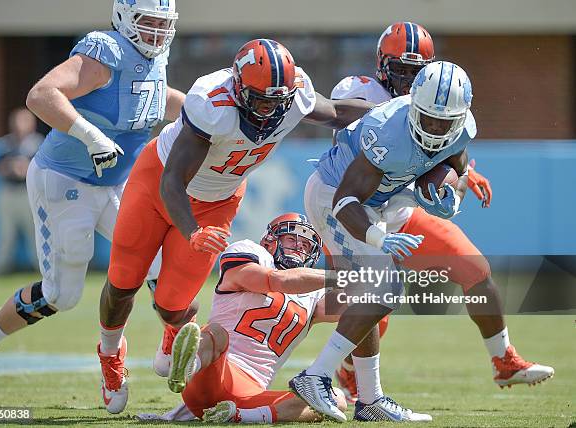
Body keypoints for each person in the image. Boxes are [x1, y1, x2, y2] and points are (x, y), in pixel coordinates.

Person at [97, 38, 375, 414]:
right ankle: (111, 354)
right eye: (261, 100)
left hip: (218, 199)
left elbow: (340, 112)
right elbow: (172, 181)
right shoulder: (214, 103)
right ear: (239, 87)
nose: (269, 109)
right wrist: (192, 230)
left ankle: (176, 334)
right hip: (158, 183)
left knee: (173, 303)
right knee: (123, 280)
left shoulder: (294, 97)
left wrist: (399, 113)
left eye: (278, 101)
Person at [289, 61, 554, 422]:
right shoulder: (388, 132)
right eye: (428, 119)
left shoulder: (463, 129)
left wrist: (453, 200)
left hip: (381, 202)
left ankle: (370, 401)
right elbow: (345, 202)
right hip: (334, 196)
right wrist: (378, 237)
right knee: (384, 291)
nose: (434, 128)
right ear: (414, 105)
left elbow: (457, 168)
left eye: (444, 123)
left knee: (379, 294)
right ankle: (315, 376)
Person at [0, 0, 185, 407]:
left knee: (158, 265)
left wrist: (201, 112)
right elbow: (41, 95)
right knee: (61, 296)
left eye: (162, 23)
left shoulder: (155, 56)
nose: (156, 31)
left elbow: (154, 96)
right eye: (147, 22)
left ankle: (138, 348)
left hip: (115, 183)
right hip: (65, 180)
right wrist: (90, 135)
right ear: (123, 18)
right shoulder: (106, 49)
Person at [330, 21, 494, 404]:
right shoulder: (362, 92)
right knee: (367, 299)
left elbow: (440, 145)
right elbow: (375, 134)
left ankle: (343, 376)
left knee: (456, 267)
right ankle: (327, 375)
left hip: (399, 206)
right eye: (399, 68)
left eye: (415, 72)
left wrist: (460, 171)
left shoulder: (433, 111)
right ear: (381, 64)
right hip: (355, 204)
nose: (406, 78)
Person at [138, 213, 431, 423]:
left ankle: (237, 417)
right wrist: (343, 275)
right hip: (212, 373)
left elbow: (362, 312)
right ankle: (185, 366)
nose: (299, 248)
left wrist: (380, 285)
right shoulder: (249, 253)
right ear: (269, 240)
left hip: (250, 393)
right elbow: (278, 281)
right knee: (216, 333)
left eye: (306, 246)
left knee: (334, 400)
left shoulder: (313, 296)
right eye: (292, 239)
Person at [0, 108, 43, 274]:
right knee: (5, 235)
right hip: (8, 191)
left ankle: (43, 271)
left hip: (28, 193)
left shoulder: (39, 143)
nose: (20, 125)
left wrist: (25, 168)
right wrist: (10, 167)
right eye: (17, 121)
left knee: (35, 235)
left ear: (32, 124)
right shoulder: (7, 143)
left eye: (24, 121)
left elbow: (43, 169)